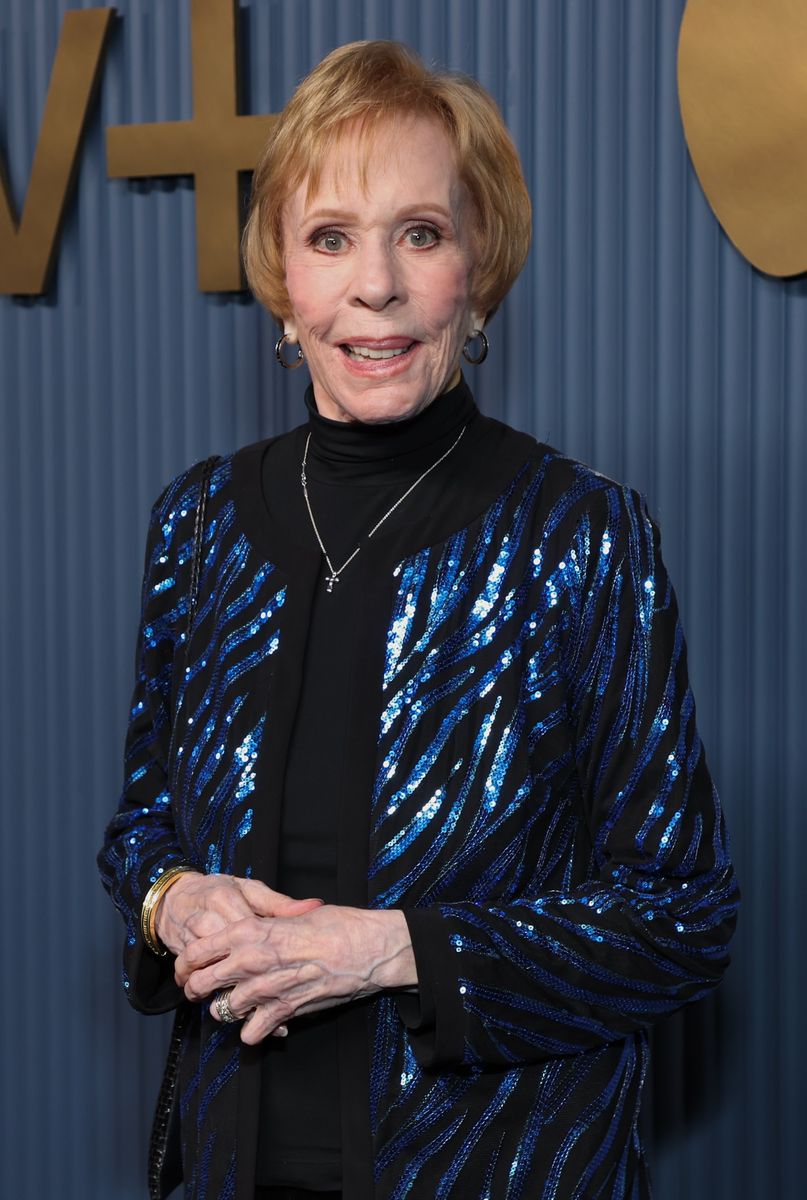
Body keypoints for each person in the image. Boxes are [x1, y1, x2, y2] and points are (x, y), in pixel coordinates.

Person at [98, 40, 738, 1200]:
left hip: (500, 1167)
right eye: (330, 238)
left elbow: (682, 916)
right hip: (235, 1162)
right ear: (282, 279)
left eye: (422, 233)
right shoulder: (199, 522)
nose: (376, 285)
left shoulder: (579, 534)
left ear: (478, 267)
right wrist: (171, 900)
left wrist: (389, 949)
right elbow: (141, 829)